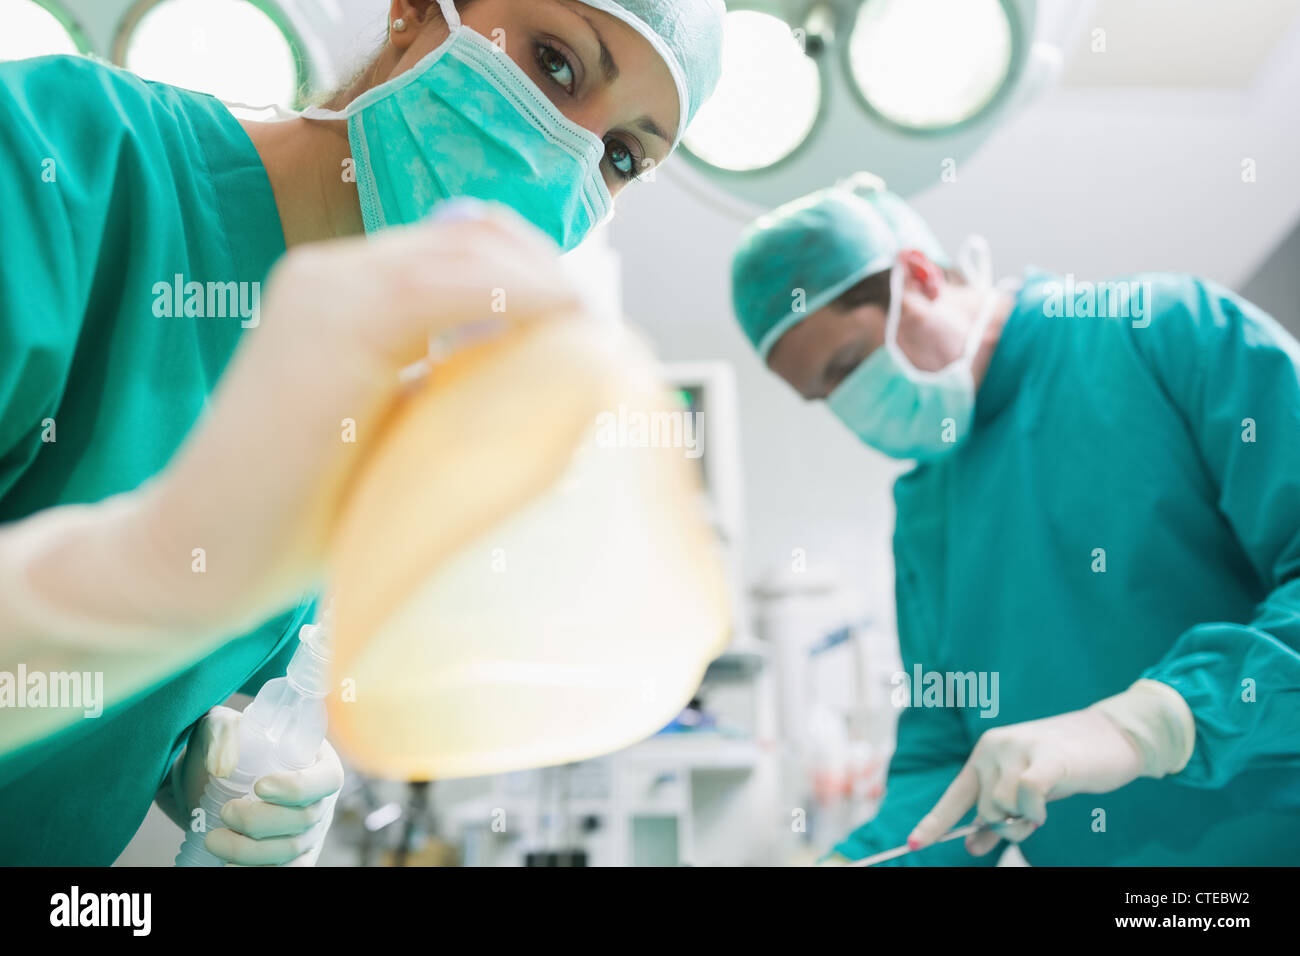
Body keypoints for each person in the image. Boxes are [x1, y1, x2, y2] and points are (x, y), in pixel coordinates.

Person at [0, 0, 725, 865]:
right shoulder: (59, 158)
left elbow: (148, 705)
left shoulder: (381, 402)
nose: (568, 155)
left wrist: (215, 762)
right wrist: (154, 566)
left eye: (620, 156)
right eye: (556, 64)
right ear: (413, 11)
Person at [730, 178, 1300, 865]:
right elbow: (947, 762)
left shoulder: (1165, 331)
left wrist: (1154, 725)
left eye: (848, 364)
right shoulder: (925, 512)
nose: (851, 405)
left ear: (918, 275)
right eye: (826, 394)